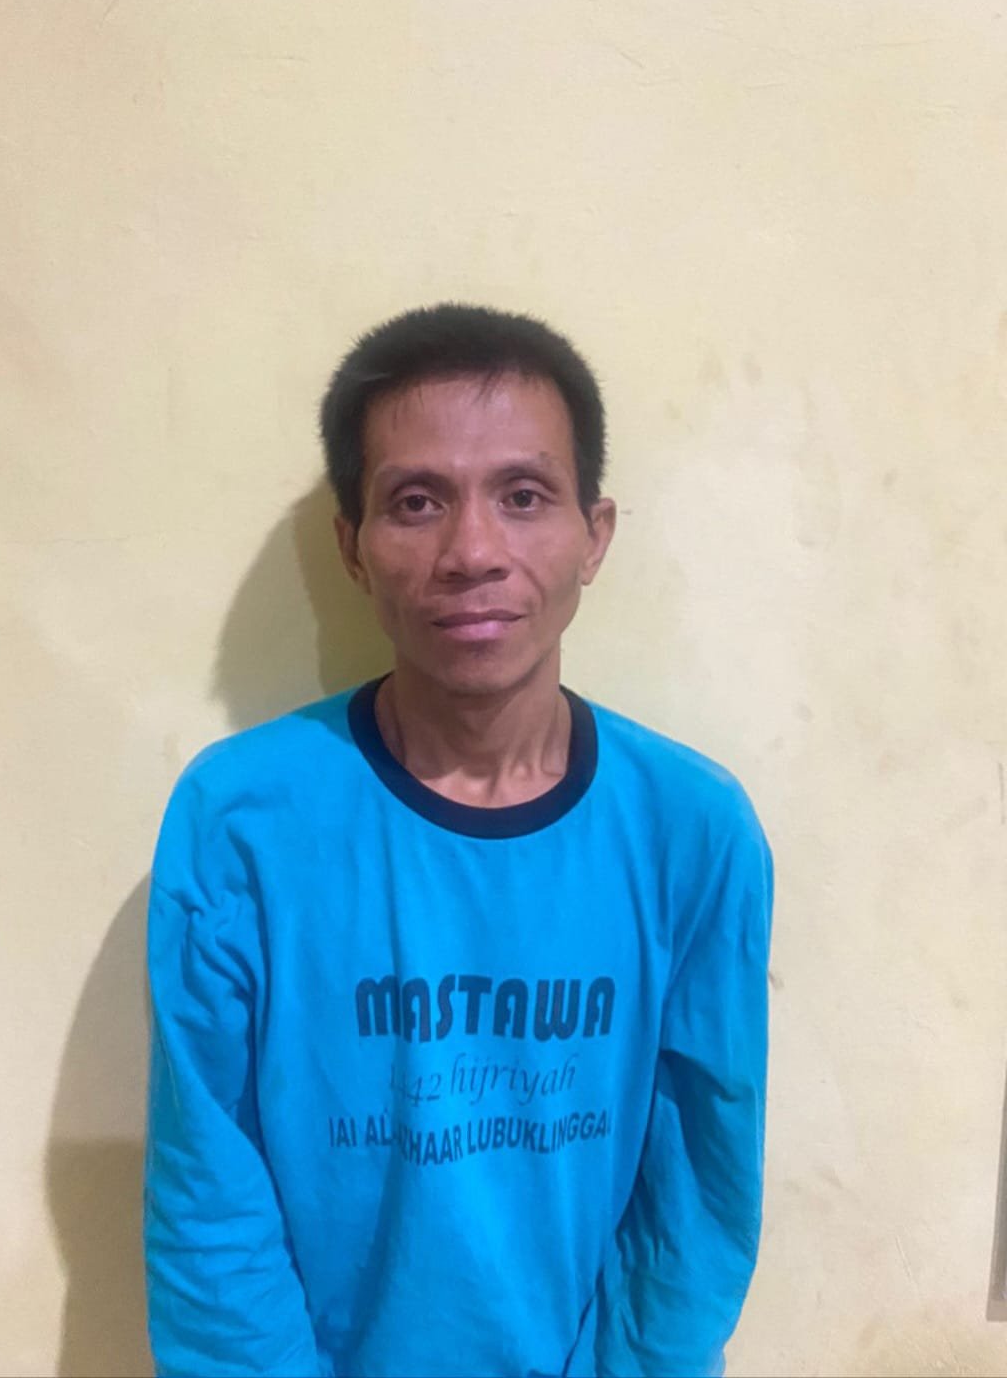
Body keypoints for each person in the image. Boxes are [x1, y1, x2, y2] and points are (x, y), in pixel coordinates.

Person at [143, 302, 774, 1378]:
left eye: (523, 496)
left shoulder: (692, 830)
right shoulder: (240, 820)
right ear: (352, 546)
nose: (472, 551)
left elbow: (698, 1186)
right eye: (416, 501)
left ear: (595, 534)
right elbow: (209, 1191)